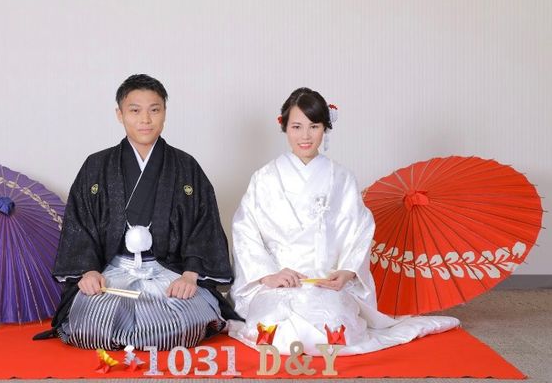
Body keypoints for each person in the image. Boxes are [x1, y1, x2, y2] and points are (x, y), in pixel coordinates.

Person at [228, 88, 459, 355]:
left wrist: (348, 271)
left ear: (325, 128)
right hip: (279, 281)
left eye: (314, 126)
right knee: (276, 330)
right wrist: (269, 274)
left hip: (325, 281)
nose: (305, 136)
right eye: (297, 127)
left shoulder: (341, 178)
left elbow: (359, 229)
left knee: (334, 327)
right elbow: (245, 229)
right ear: (284, 127)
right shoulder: (265, 178)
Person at [35, 74, 238, 350]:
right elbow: (80, 225)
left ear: (164, 113)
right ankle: (141, 336)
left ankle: (135, 337)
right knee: (89, 323)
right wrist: (89, 271)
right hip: (113, 273)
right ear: (119, 114)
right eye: (135, 110)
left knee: (185, 321)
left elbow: (204, 226)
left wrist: (190, 276)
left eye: (154, 110)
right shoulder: (96, 166)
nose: (145, 119)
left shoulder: (186, 166)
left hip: (169, 274)